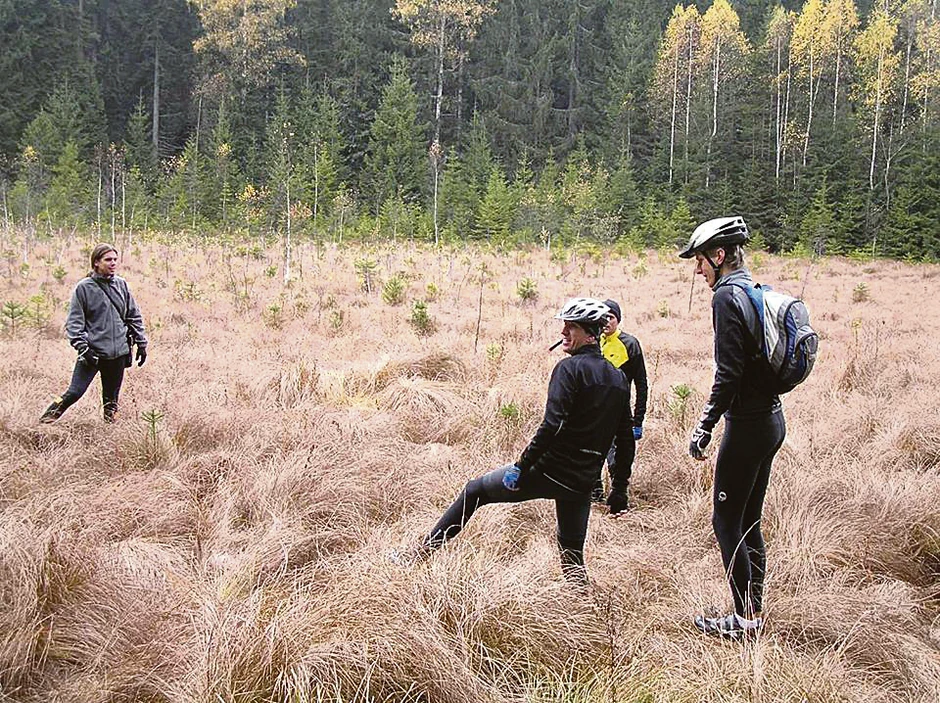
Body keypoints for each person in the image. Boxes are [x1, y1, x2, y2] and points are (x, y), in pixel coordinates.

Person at [396, 298, 635, 584]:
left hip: (549, 470)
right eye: (564, 326)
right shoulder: (619, 378)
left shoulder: (568, 369)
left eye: (571, 327)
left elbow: (552, 425)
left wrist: (521, 466)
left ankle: (417, 556)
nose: (563, 332)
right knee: (572, 553)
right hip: (581, 481)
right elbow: (625, 438)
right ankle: (584, 602)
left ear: (590, 334)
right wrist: (619, 489)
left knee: (475, 491)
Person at [679, 216, 785, 640]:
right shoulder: (751, 289)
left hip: (747, 427)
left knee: (726, 522)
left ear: (719, 255)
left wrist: (704, 425)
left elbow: (728, 374)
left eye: (700, 260)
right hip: (771, 420)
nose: (697, 270)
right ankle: (752, 613)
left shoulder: (726, 296)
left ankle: (743, 620)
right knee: (749, 520)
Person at [40, 244, 148, 424]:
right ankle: (44, 422)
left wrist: (141, 343)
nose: (113, 263)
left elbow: (133, 315)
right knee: (74, 392)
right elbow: (74, 324)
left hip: (118, 354)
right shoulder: (83, 288)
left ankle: (109, 431)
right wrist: (84, 349)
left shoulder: (121, 284)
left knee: (111, 401)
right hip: (93, 353)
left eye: (115, 259)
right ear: (96, 262)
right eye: (108, 260)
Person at [591, 298, 648, 511]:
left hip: (619, 413)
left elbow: (641, 384)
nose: (606, 322)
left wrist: (638, 420)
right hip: (594, 412)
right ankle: (595, 495)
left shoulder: (630, 344)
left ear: (618, 319)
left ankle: (618, 498)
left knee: (618, 459)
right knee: (592, 455)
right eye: (602, 317)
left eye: (611, 317)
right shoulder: (592, 341)